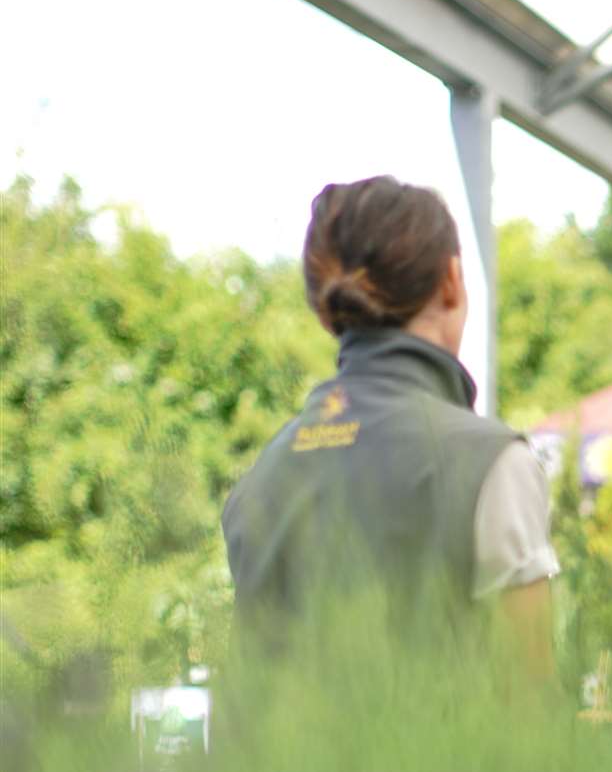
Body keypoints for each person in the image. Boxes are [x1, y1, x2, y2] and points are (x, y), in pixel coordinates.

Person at [222, 176, 557, 686]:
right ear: (451, 280)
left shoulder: (260, 478)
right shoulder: (490, 465)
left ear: (325, 309)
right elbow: (534, 718)